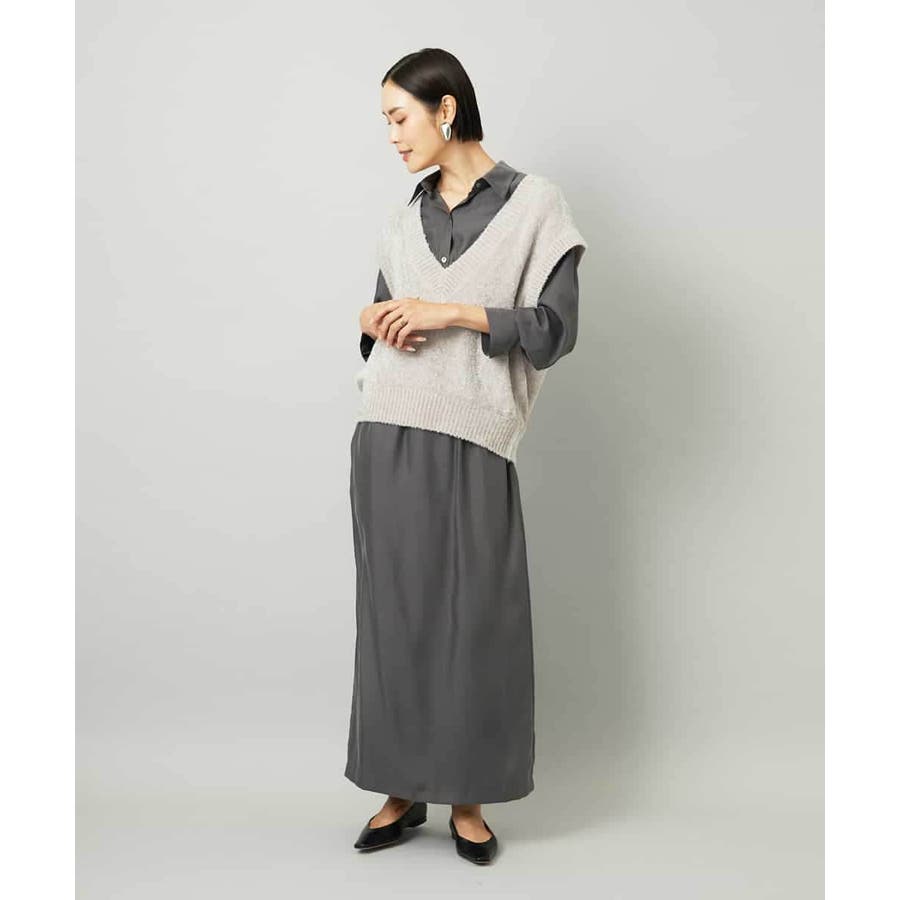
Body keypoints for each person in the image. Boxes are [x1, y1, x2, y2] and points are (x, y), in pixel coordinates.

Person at [346, 48, 587, 866]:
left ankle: (468, 797)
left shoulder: (536, 206)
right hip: (386, 431)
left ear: (445, 110)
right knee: (396, 617)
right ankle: (399, 788)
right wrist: (373, 319)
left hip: (476, 436)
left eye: (399, 117)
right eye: (386, 121)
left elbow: (554, 329)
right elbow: (384, 320)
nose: (391, 135)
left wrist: (452, 312)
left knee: (475, 619)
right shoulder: (402, 216)